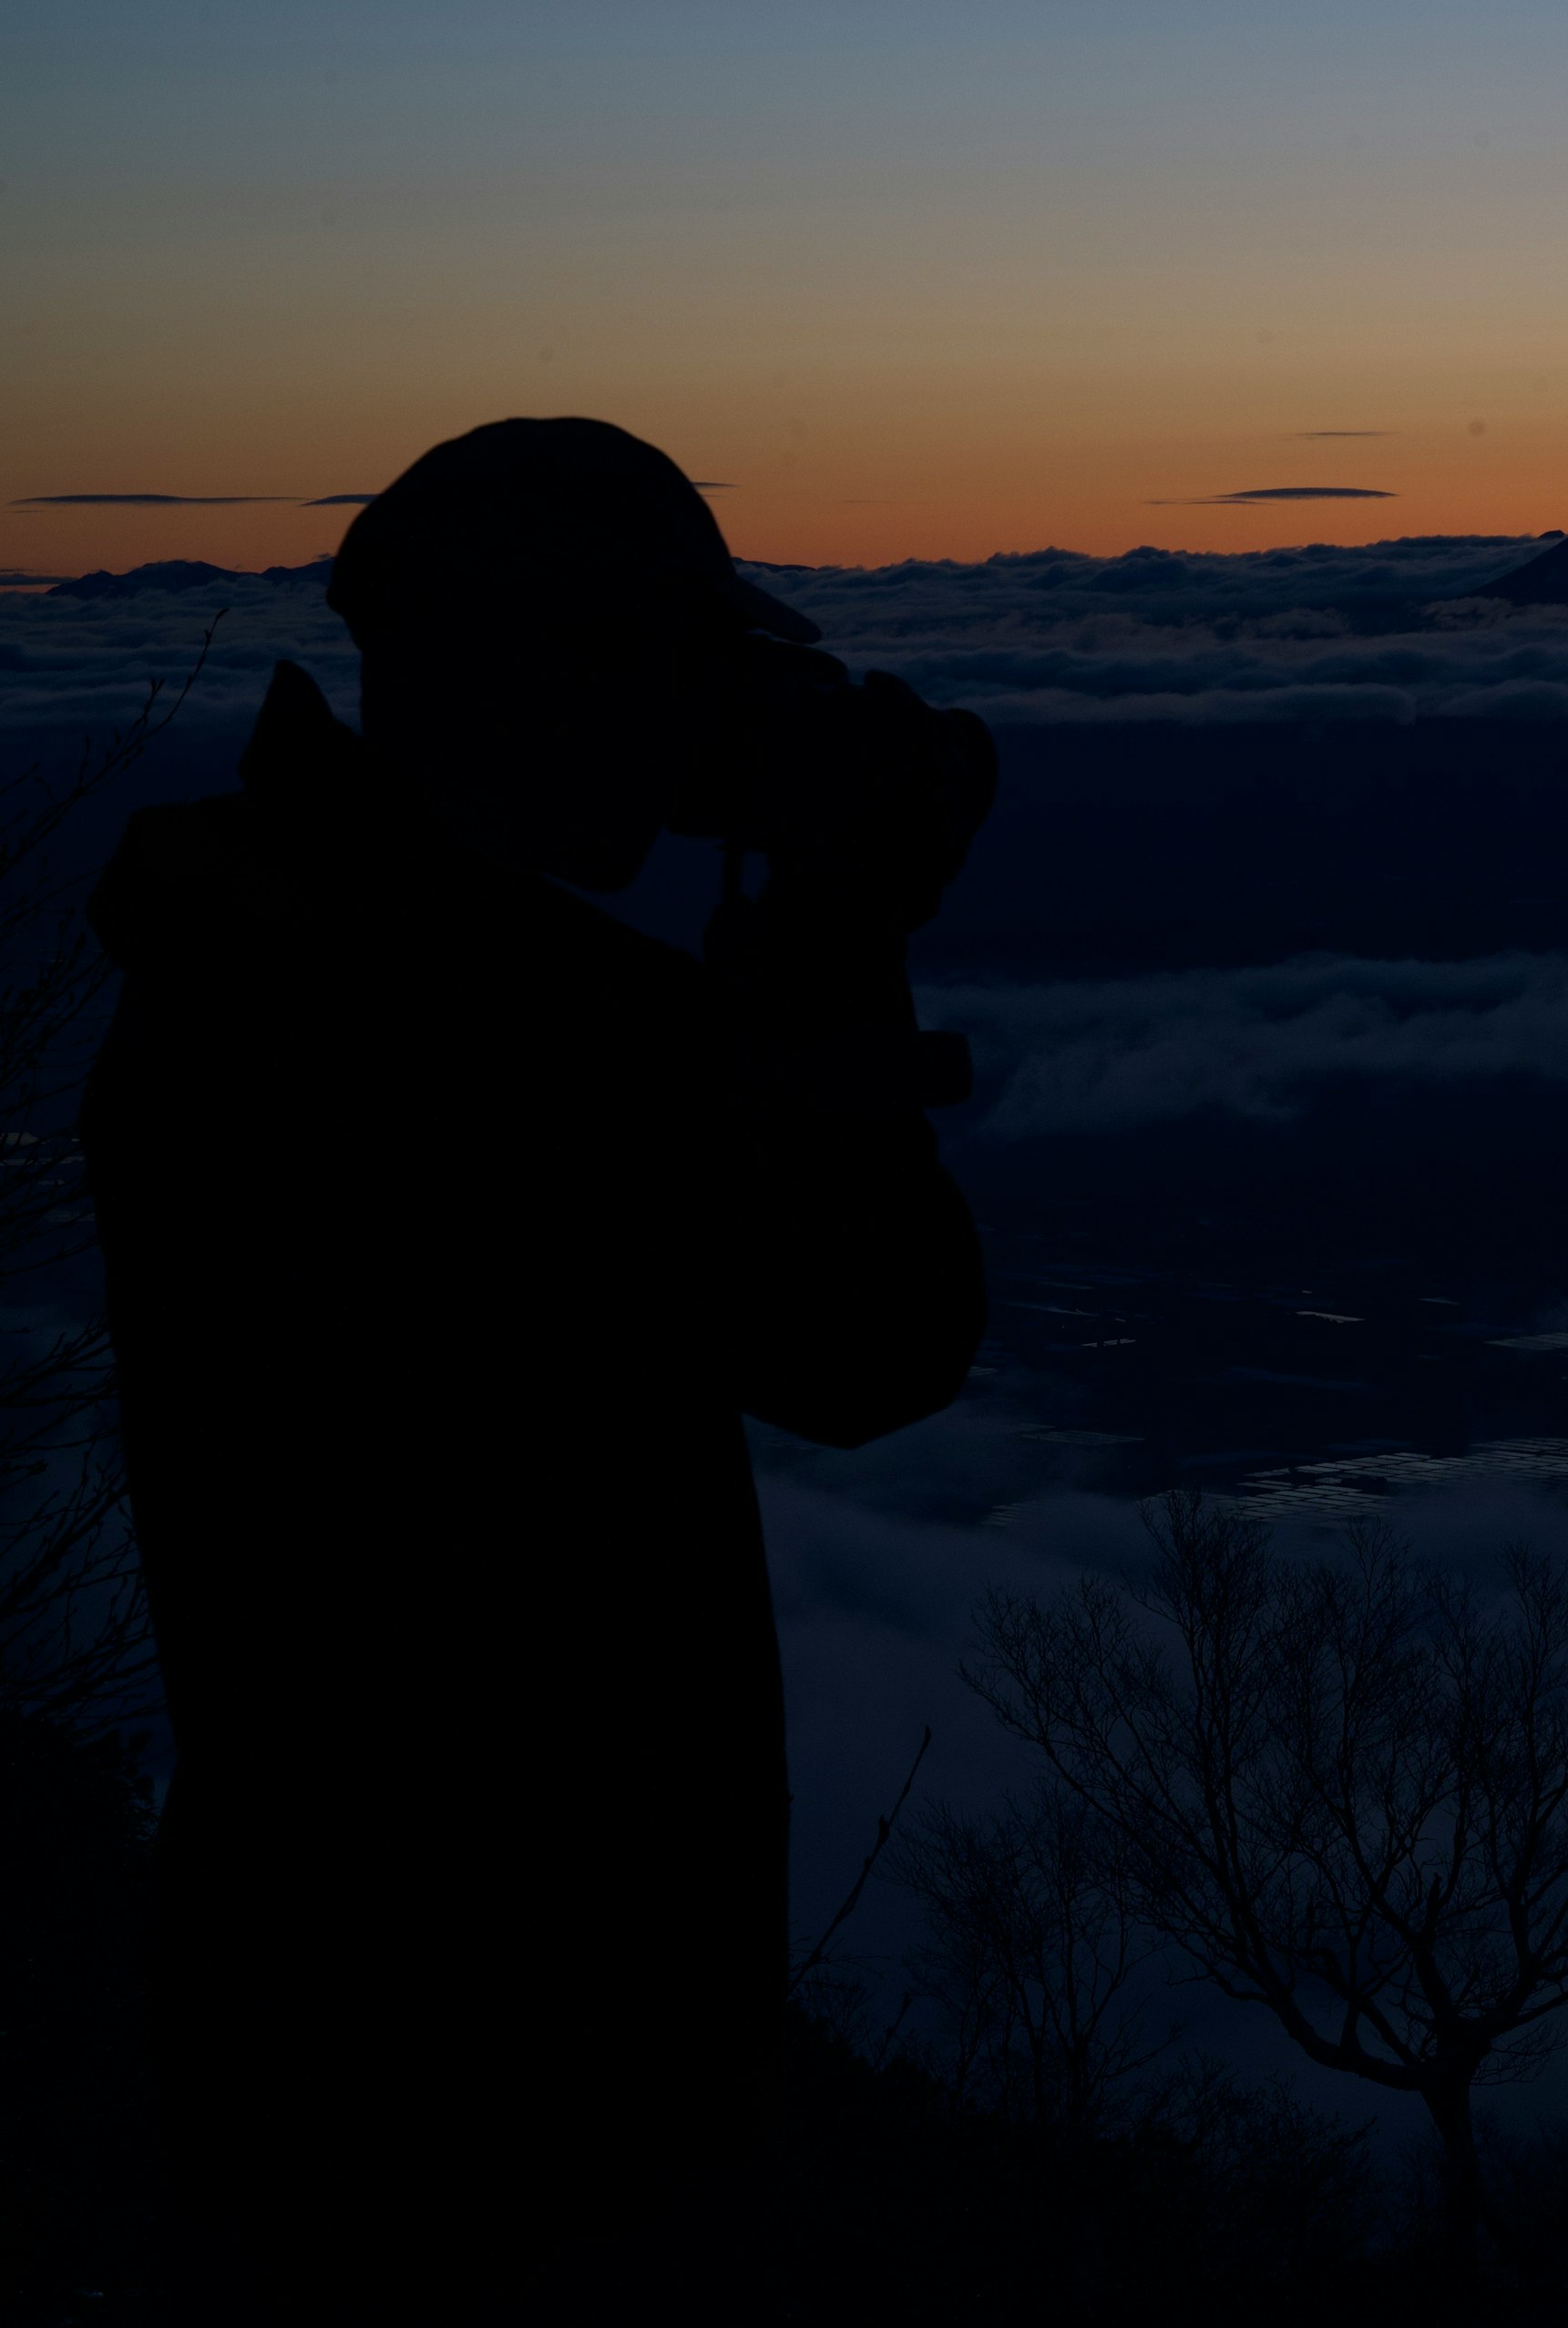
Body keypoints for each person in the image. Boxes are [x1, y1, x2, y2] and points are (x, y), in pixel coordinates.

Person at [81, 418, 994, 2319]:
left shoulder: (266, 958)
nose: (706, 740)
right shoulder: (445, 1037)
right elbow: (869, 1340)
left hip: (315, 2041)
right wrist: (836, 921)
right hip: (511, 2106)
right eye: (690, 675)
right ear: (554, 676)